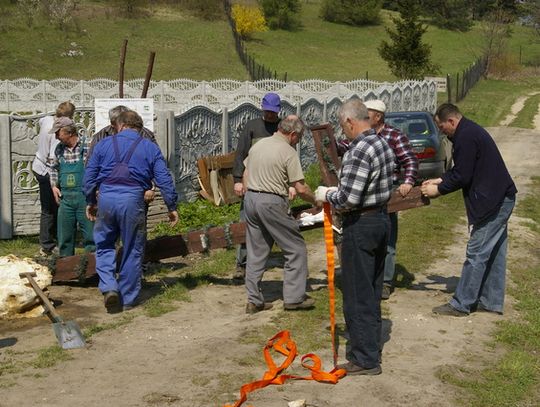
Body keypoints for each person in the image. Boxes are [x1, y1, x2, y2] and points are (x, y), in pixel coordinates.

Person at [315, 99, 394, 375]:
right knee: (371, 290)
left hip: (361, 223)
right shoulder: (382, 143)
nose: (343, 132)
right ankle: (370, 344)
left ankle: (365, 358)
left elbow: (348, 198)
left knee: (358, 293)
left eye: (342, 126)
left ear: (350, 121)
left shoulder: (359, 150)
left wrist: (326, 194)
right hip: (381, 219)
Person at [421, 103, 517, 317]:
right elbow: (462, 169)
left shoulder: (465, 136)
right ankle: (491, 302)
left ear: (451, 121)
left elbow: (463, 175)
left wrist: (438, 189)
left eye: (441, 126)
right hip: (502, 197)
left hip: (494, 202)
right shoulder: (468, 131)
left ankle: (461, 304)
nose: (441, 131)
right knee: (494, 253)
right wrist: (441, 178)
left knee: (476, 252)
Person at [84, 111, 179, 313]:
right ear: (138, 127)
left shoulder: (103, 145)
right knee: (132, 248)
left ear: (121, 125)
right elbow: (164, 179)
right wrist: (171, 206)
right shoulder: (149, 147)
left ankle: (109, 286)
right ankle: (127, 299)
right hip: (133, 199)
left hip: (107, 198)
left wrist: (91, 200)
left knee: (104, 244)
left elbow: (89, 177)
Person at [243, 115, 317, 314]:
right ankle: (294, 298)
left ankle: (254, 300)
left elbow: (246, 173)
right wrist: (316, 200)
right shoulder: (288, 151)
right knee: (295, 248)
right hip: (271, 202)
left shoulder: (258, 145)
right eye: (299, 137)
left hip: (250, 199)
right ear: (293, 134)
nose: (298, 141)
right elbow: (301, 188)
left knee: (256, 252)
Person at [364, 100, 418, 300]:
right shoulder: (363, 136)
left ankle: (385, 282)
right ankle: (368, 278)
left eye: (367, 114)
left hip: (388, 192)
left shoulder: (394, 136)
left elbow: (410, 160)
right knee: (367, 235)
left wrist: (409, 181)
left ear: (378, 116)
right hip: (366, 193)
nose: (363, 117)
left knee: (387, 236)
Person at [232, 92, 282, 282]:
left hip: (275, 185)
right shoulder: (252, 127)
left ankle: (263, 259)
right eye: (268, 111)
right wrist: (237, 180)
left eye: (274, 112)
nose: (270, 115)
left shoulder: (281, 128)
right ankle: (242, 264)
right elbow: (240, 153)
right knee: (246, 224)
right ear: (262, 108)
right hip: (250, 183)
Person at [31, 101, 76, 256]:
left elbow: (40, 121)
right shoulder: (58, 134)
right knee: (50, 208)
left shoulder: (46, 120)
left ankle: (51, 241)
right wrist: (54, 183)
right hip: (45, 170)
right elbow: (53, 158)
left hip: (37, 164)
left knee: (50, 208)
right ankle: (47, 245)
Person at [49, 117, 95, 257]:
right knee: (65, 237)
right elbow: (53, 168)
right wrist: (54, 186)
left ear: (69, 132)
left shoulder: (87, 145)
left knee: (91, 237)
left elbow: (96, 169)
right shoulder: (59, 149)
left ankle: (91, 270)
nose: (56, 137)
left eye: (58, 133)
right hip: (66, 200)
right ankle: (65, 272)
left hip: (85, 198)